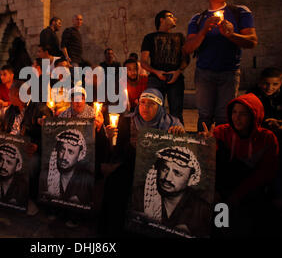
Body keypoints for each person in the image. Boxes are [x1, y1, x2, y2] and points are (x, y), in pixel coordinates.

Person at [99, 88, 185, 235]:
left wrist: (180, 136)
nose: (145, 107)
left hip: (160, 171)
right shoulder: (127, 121)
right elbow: (118, 153)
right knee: (114, 183)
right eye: (143, 103)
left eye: (151, 104)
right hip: (131, 166)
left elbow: (181, 155)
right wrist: (109, 138)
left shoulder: (172, 124)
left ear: (160, 107)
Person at [183, 0, 258, 131]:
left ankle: (222, 149)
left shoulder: (240, 12)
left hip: (229, 72)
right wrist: (204, 30)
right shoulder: (198, 18)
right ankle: (203, 149)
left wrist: (231, 35)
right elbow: (188, 48)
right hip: (204, 73)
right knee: (204, 115)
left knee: (224, 116)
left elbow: (252, 41)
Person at [200, 93, 279, 236]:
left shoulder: (267, 138)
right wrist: (207, 145)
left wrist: (236, 197)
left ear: (253, 116)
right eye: (234, 112)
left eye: (243, 114)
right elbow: (210, 165)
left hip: (250, 192)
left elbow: (265, 173)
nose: (236, 117)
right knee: (220, 223)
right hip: (223, 193)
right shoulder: (221, 131)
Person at [247, 67, 282, 210]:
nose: (270, 88)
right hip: (259, 135)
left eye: (274, 84)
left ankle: (281, 195)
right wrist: (266, 123)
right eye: (266, 83)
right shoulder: (252, 94)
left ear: (280, 83)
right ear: (259, 82)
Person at [0, 80, 53, 215]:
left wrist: (37, 146)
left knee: (30, 165)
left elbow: (50, 136)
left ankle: (29, 199)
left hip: (30, 150)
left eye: (10, 94)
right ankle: (1, 196)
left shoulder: (40, 109)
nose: (8, 97)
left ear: (19, 95)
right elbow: (6, 130)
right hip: (11, 147)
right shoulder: (11, 110)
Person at [137, 146, 212, 237]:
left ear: (191, 179)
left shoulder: (202, 210)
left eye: (177, 173)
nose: (167, 178)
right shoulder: (140, 196)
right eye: (165, 169)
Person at [141, 10, 190, 124]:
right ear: (161, 19)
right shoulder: (149, 37)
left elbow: (186, 58)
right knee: (154, 111)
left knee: (176, 112)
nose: (175, 19)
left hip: (176, 79)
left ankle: (177, 138)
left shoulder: (180, 36)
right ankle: (154, 138)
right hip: (156, 79)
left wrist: (178, 72)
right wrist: (156, 72)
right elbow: (143, 61)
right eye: (171, 16)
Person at [45, 129, 94, 205]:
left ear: (80, 155)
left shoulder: (87, 180)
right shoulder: (47, 176)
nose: (64, 157)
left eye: (70, 152)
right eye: (62, 150)